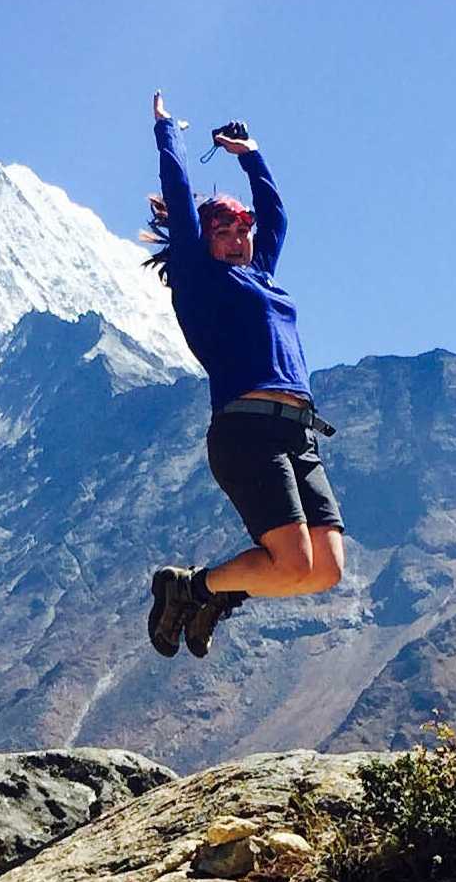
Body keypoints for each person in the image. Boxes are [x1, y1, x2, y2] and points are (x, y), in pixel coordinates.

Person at [142, 90, 346, 659]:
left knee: (325, 570)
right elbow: (182, 202)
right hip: (246, 433)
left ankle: (211, 593)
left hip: (297, 435)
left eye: (241, 231)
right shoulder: (202, 280)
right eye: (224, 233)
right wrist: (168, 133)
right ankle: (189, 589)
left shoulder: (261, 276)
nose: (237, 240)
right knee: (293, 561)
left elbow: (276, 215)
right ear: (204, 244)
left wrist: (250, 153)